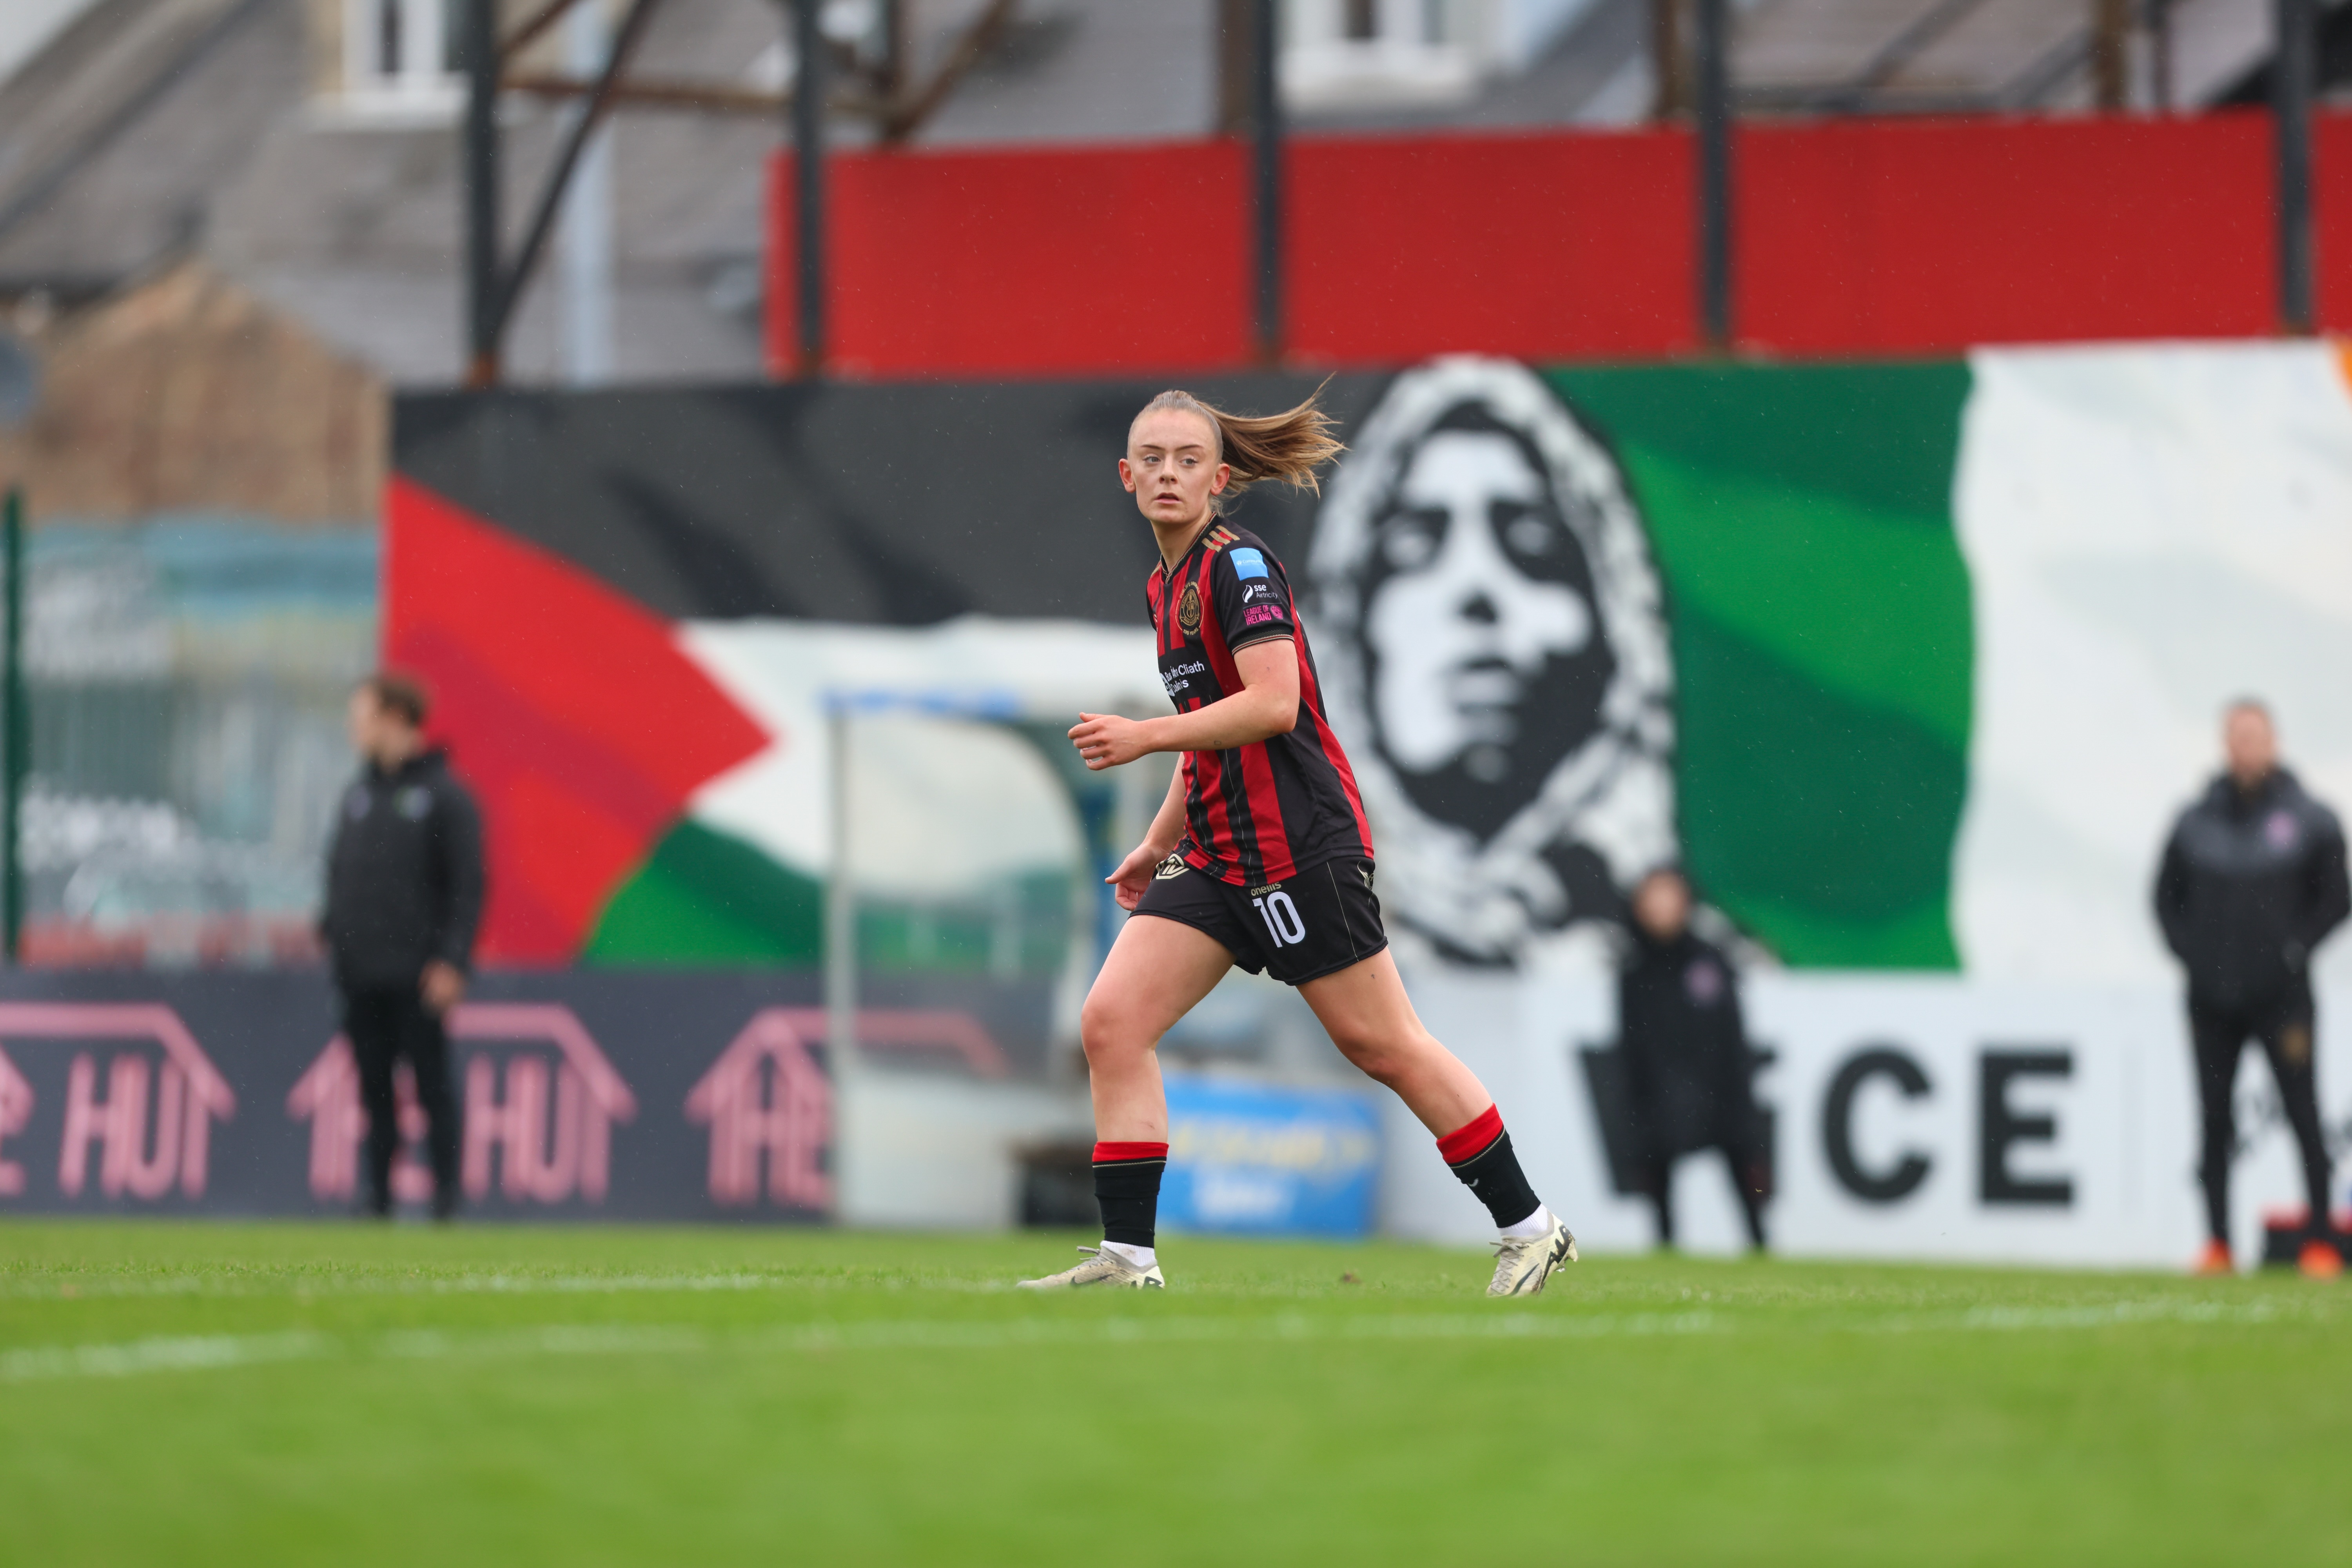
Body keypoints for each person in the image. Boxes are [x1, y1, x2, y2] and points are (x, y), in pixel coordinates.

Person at [1019, 388, 1577, 1296]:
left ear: (1219, 478)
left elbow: (1272, 706)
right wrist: (1158, 845)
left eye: (1187, 458)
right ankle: (1128, 1259)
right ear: (1126, 477)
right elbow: (1212, 723)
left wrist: (1143, 734)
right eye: (1151, 458)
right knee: (1113, 1022)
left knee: (1384, 1044)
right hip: (1216, 854)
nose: (1168, 472)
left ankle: (1531, 1225)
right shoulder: (1166, 585)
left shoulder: (1238, 569)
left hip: (1299, 849)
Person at [1304, 356, 1675, 967]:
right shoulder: (1290, 939)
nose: (1477, 590)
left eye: (1530, 540)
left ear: (1616, 617)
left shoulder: (1674, 959)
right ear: (1347, 623)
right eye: (1417, 543)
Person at [2154, 700, 2347, 1279]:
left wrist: (2294, 951)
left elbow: (2338, 898)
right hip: (2211, 999)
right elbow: (2165, 900)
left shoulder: (2310, 819)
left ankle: (2320, 1240)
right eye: (2238, 736)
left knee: (2304, 1116)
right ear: (2225, 744)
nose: (2248, 746)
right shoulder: (2195, 821)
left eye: (2256, 736)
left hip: (2282, 997)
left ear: (2274, 742)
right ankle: (2217, 1244)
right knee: (2214, 1121)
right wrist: (2195, 957)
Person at [321, 670, 485, 1220]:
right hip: (361, 973)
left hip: (418, 974)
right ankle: (379, 1198)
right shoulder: (358, 796)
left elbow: (467, 887)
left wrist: (452, 961)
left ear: (396, 718)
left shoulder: (446, 798)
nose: (354, 729)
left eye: (362, 717)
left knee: (432, 1086)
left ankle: (445, 1200)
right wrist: (332, 934)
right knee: (375, 1092)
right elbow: (338, 873)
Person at [1616, 867, 1767, 1252]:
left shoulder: (1709, 962)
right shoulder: (1634, 972)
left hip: (1720, 1094)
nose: (1661, 908)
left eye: (1669, 897)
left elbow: (1733, 1036)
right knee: (1659, 1184)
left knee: (1744, 1181)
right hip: (1660, 1099)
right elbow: (1631, 1047)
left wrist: (1741, 1096)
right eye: (1653, 898)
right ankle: (1666, 1253)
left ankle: (1760, 1249)